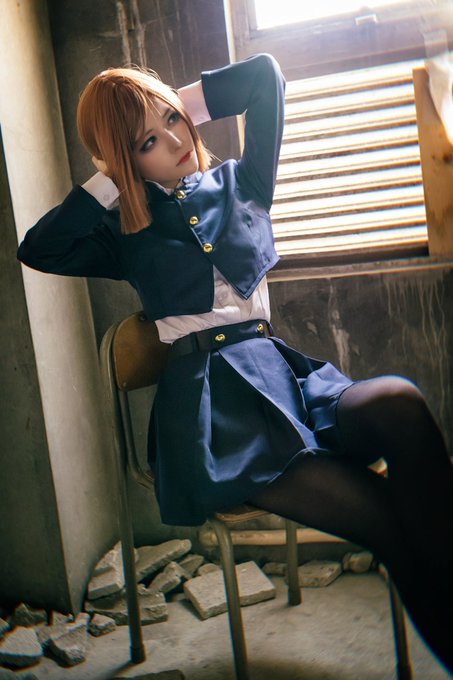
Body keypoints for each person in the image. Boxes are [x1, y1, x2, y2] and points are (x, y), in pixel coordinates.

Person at [17, 54, 453, 674]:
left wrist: (171, 105)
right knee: (389, 524)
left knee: (399, 403)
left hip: (288, 382)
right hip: (214, 417)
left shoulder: (241, 181)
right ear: (124, 161)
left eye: (174, 121)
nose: (175, 142)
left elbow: (265, 77)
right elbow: (40, 247)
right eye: (147, 142)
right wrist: (114, 171)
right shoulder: (124, 232)